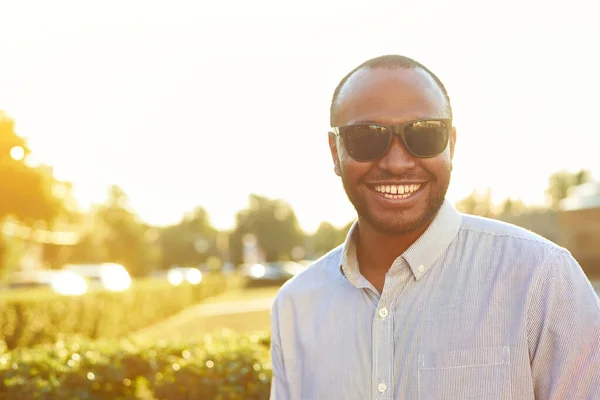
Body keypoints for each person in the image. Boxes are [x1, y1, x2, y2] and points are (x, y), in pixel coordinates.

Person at [269, 54, 600, 399]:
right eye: (366, 137)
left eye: (424, 134)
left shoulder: (541, 279)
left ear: (451, 145)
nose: (396, 163)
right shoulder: (295, 307)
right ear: (335, 153)